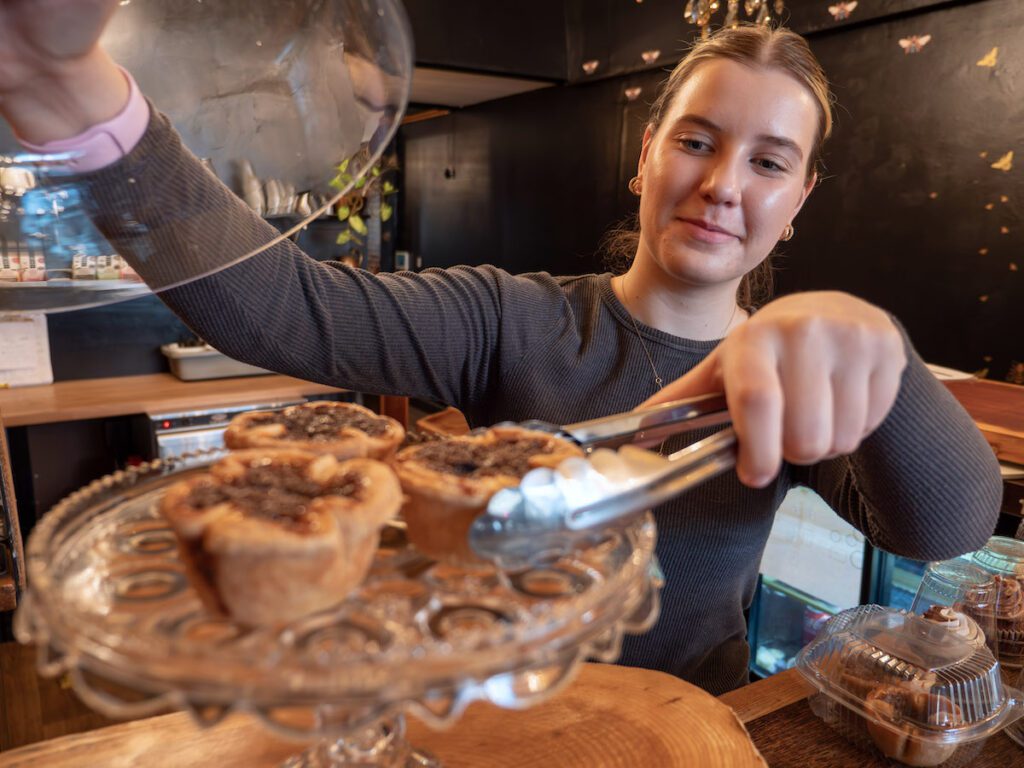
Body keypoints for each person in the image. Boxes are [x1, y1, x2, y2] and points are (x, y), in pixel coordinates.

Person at [0, 4, 1001, 695]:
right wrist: (73, 94)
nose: (723, 182)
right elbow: (279, 308)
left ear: (798, 205)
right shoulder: (509, 319)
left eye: (769, 161)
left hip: (690, 724)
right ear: (646, 153)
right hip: (490, 718)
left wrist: (883, 351)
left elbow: (943, 528)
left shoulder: (787, 383)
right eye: (695, 140)